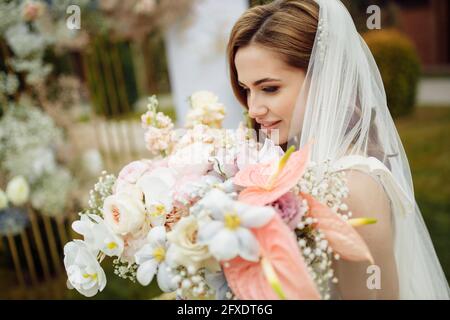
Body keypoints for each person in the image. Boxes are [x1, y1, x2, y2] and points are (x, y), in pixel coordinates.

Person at [226, 0, 450, 299]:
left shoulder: (351, 189)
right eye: (246, 89)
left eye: (269, 88)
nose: (252, 108)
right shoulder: (293, 163)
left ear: (324, 78)